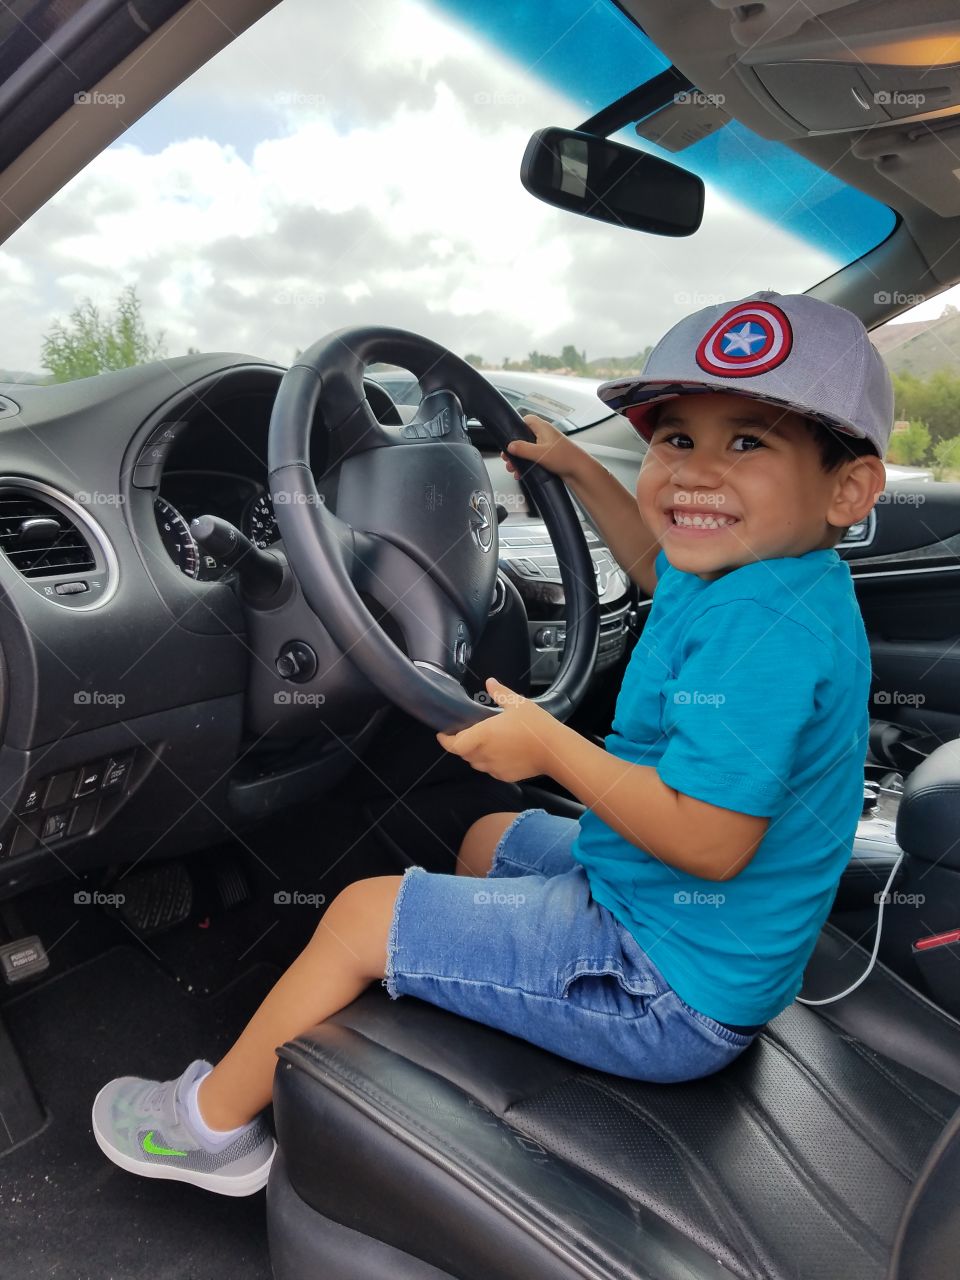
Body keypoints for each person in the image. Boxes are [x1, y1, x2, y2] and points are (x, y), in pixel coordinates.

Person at [91, 290, 891, 1196]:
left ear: (850, 488)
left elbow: (709, 844)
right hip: (679, 927)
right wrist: (579, 468)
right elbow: (652, 564)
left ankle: (206, 1134)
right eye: (677, 440)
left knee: (358, 914)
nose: (696, 474)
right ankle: (485, 973)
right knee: (482, 837)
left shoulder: (765, 636)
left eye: (748, 442)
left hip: (665, 990)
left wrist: (550, 747)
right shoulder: (763, 579)